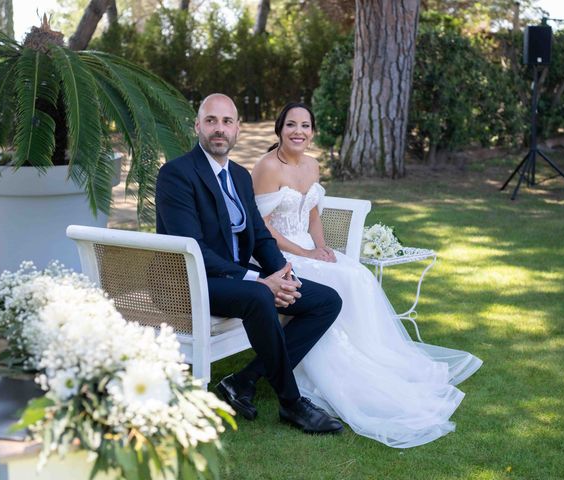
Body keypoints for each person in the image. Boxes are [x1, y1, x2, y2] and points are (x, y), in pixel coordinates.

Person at [251, 102, 483, 448]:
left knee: (358, 275)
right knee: (335, 284)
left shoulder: (313, 165)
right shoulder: (267, 167)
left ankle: (373, 357)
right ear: (279, 129)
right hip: (279, 254)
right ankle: (333, 372)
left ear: (312, 131)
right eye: (291, 125)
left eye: (305, 125)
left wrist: (324, 248)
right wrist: (307, 254)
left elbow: (314, 217)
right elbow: (264, 228)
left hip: (309, 248)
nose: (298, 131)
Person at [155, 94, 344, 434]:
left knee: (326, 301)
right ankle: (292, 403)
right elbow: (192, 247)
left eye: (227, 122)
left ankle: (243, 380)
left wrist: (282, 274)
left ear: (238, 129)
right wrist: (256, 280)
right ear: (198, 126)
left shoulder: (240, 176)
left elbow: (258, 234)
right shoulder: (176, 174)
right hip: (190, 281)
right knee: (259, 297)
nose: (219, 129)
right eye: (211, 120)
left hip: (234, 278)